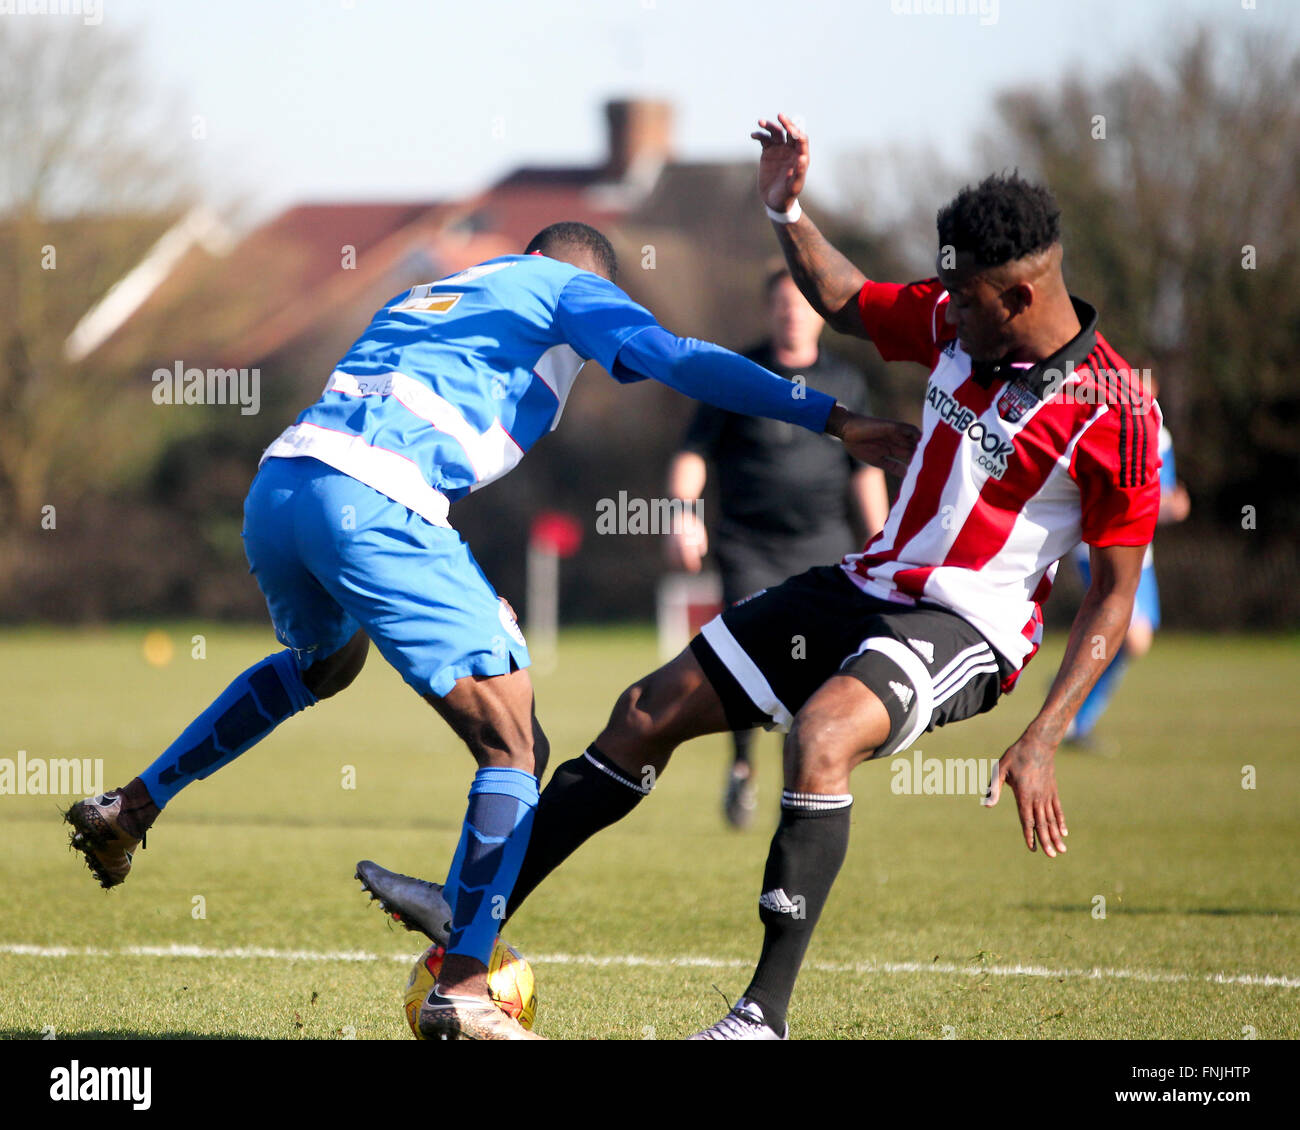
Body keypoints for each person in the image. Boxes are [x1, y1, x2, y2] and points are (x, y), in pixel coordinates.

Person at [357, 118, 1164, 1041]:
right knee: (643, 713)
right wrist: (786, 208)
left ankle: (758, 1019)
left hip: (966, 626)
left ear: (1021, 295)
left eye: (967, 299)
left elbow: (1111, 593)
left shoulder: (1116, 412)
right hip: (865, 585)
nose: (947, 311)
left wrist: (1047, 734)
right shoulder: (957, 316)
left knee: (820, 736)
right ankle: (473, 920)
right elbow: (848, 298)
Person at [63, 220, 915, 1041]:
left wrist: (457, 577)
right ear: (585, 277)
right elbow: (681, 360)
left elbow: (398, 438)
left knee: (324, 666)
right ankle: (465, 989)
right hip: (373, 503)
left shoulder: (431, 293)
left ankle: (131, 807)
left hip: (284, 489)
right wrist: (836, 420)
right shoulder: (568, 286)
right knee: (515, 745)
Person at [665, 265, 888, 826]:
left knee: (823, 670)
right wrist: (682, 515)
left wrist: (885, 543)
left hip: (825, 547)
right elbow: (692, 456)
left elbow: (865, 470)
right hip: (748, 547)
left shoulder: (847, 380)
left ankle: (813, 779)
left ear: (818, 313)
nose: (793, 313)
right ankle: (742, 768)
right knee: (746, 657)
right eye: (783, 304)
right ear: (769, 311)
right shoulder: (735, 375)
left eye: (803, 304)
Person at [1065, 387, 1189, 748]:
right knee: (1128, 634)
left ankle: (1076, 710)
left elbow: (1158, 497)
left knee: (1137, 640)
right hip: (1097, 543)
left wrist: (1171, 508)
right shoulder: (1097, 422)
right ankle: (1071, 708)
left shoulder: (1157, 432)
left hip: (1139, 551)